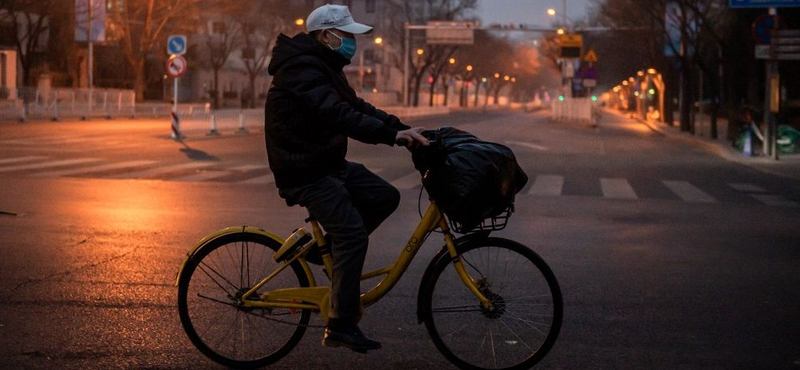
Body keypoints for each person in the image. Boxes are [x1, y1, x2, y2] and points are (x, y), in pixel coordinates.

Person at [264, 4, 428, 353]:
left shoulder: (325, 66)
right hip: (304, 170)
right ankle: (340, 324)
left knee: (386, 196)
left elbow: (357, 107)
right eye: (348, 35)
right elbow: (338, 114)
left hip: (324, 163)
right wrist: (390, 137)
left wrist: (402, 129)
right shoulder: (301, 69)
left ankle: (321, 254)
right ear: (326, 35)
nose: (353, 42)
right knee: (352, 234)